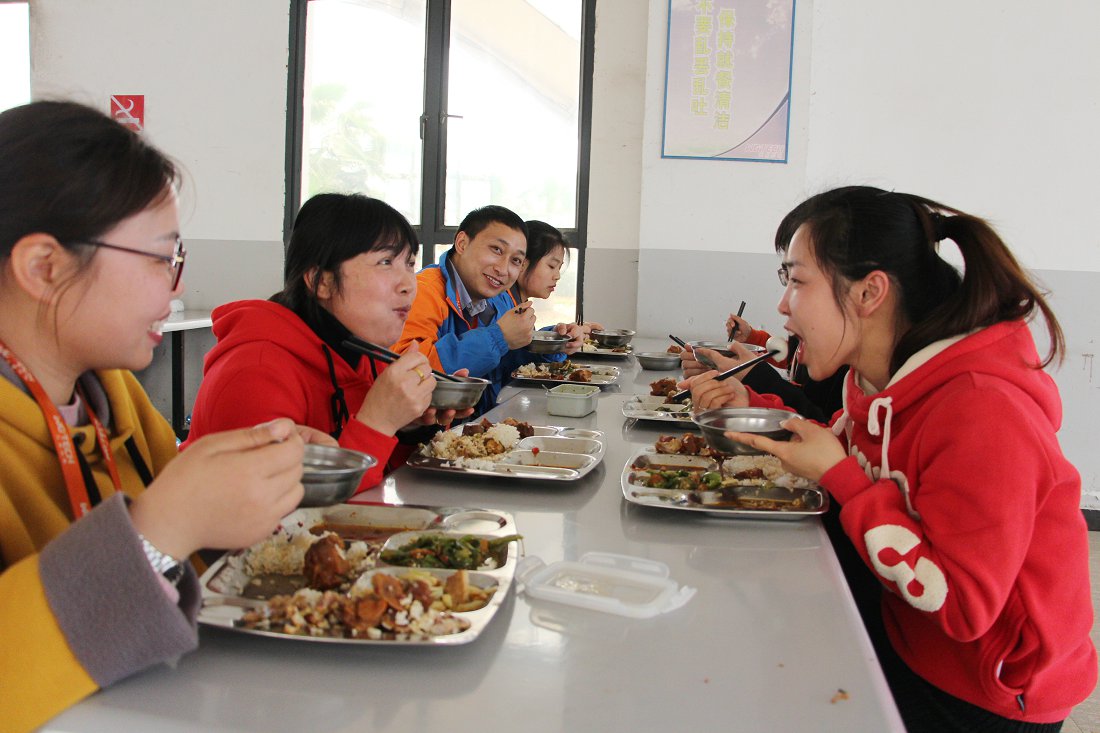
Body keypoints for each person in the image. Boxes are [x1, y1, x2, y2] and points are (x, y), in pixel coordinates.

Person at [687, 186, 1096, 731]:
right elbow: (832, 444)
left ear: (869, 292)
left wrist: (843, 480)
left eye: (797, 280)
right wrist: (752, 406)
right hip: (904, 630)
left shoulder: (982, 408)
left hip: (983, 689)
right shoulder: (875, 382)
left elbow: (962, 605)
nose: (784, 306)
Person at [0, 100, 319, 731]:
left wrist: (240, 495)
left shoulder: (112, 392)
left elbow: (191, 571)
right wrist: (154, 534)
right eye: (160, 259)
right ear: (44, 267)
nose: (175, 288)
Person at [184, 193, 472, 491]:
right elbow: (271, 512)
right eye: (385, 262)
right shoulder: (254, 371)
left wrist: (410, 424)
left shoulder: (362, 351)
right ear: (321, 281)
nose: (408, 285)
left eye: (409, 264)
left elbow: (378, 485)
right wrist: (378, 423)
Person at [394, 206, 583, 416]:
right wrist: (498, 337)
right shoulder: (424, 291)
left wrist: (555, 341)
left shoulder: (489, 299)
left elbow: (506, 362)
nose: (503, 268)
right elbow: (410, 374)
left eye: (515, 260)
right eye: (496, 250)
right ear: (462, 243)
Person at [511, 219, 602, 336]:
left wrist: (563, 332)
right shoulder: (500, 306)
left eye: (559, 268)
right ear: (522, 262)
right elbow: (516, 352)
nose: (557, 276)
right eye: (552, 266)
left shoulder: (519, 304)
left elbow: (524, 345)